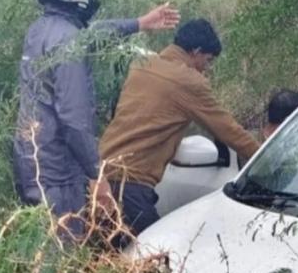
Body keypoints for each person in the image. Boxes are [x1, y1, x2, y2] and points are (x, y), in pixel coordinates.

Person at [13, 0, 180, 240]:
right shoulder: (69, 43)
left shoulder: (42, 30)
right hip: (59, 175)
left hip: (33, 163)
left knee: (38, 252)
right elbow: (74, 121)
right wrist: (97, 176)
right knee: (57, 259)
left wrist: (140, 23)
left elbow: (93, 34)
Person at [99, 18, 261, 236]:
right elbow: (230, 131)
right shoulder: (188, 81)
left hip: (99, 177)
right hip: (131, 186)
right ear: (195, 51)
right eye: (208, 60)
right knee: (152, 261)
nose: (207, 69)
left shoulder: (141, 66)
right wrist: (267, 161)